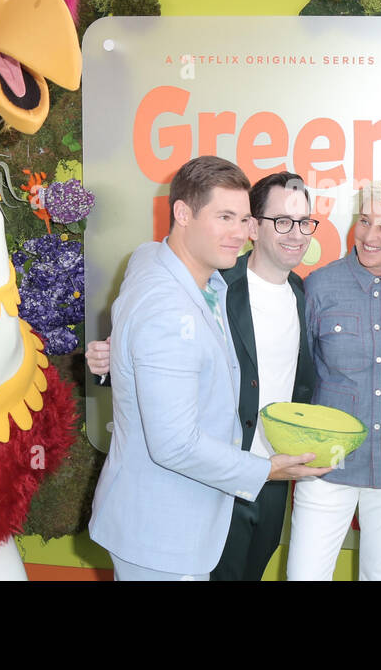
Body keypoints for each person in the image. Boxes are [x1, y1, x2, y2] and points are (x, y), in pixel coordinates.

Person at [88, 156, 326, 580]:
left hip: (199, 507)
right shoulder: (169, 305)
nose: (239, 232)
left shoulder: (177, 269)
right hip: (167, 526)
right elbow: (176, 445)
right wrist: (268, 469)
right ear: (182, 213)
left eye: (243, 219)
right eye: (225, 217)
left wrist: (122, 350)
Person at [285, 176, 381, 581]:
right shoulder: (318, 286)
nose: (370, 236)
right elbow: (291, 368)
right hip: (326, 461)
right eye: (365, 221)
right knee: (304, 575)